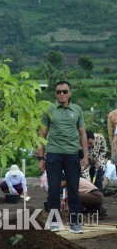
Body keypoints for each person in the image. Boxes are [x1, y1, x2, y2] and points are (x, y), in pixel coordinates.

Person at [38, 80, 88, 234]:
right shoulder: (49, 109)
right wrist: (41, 157)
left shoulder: (77, 110)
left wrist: (85, 156)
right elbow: (42, 133)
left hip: (73, 154)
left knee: (73, 189)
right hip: (53, 154)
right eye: (59, 91)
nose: (61, 94)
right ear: (55, 93)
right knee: (53, 190)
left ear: (70, 93)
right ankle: (54, 222)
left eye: (65, 91)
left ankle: (75, 224)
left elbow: (82, 133)